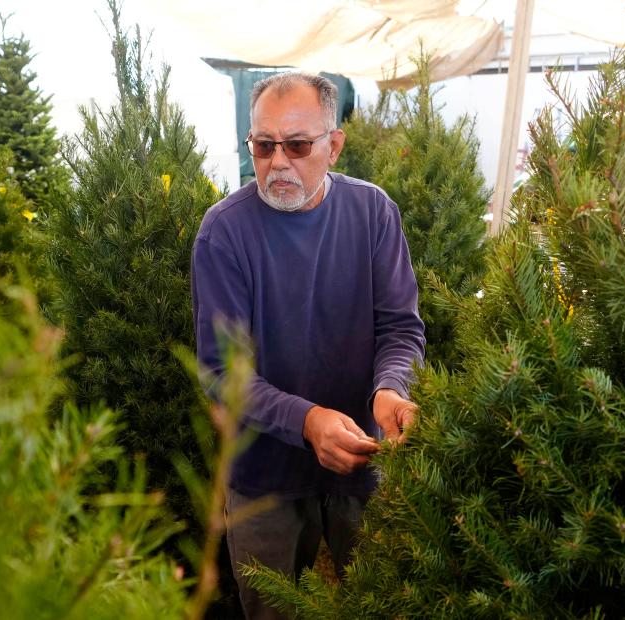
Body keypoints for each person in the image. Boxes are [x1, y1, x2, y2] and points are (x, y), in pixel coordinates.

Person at [191, 72, 425, 619]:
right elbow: (223, 373)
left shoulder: (373, 213)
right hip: (264, 476)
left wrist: (391, 390)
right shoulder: (224, 232)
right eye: (263, 145)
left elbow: (400, 327)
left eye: (297, 145)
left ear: (334, 144)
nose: (277, 162)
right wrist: (306, 420)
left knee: (385, 603)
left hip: (366, 459)